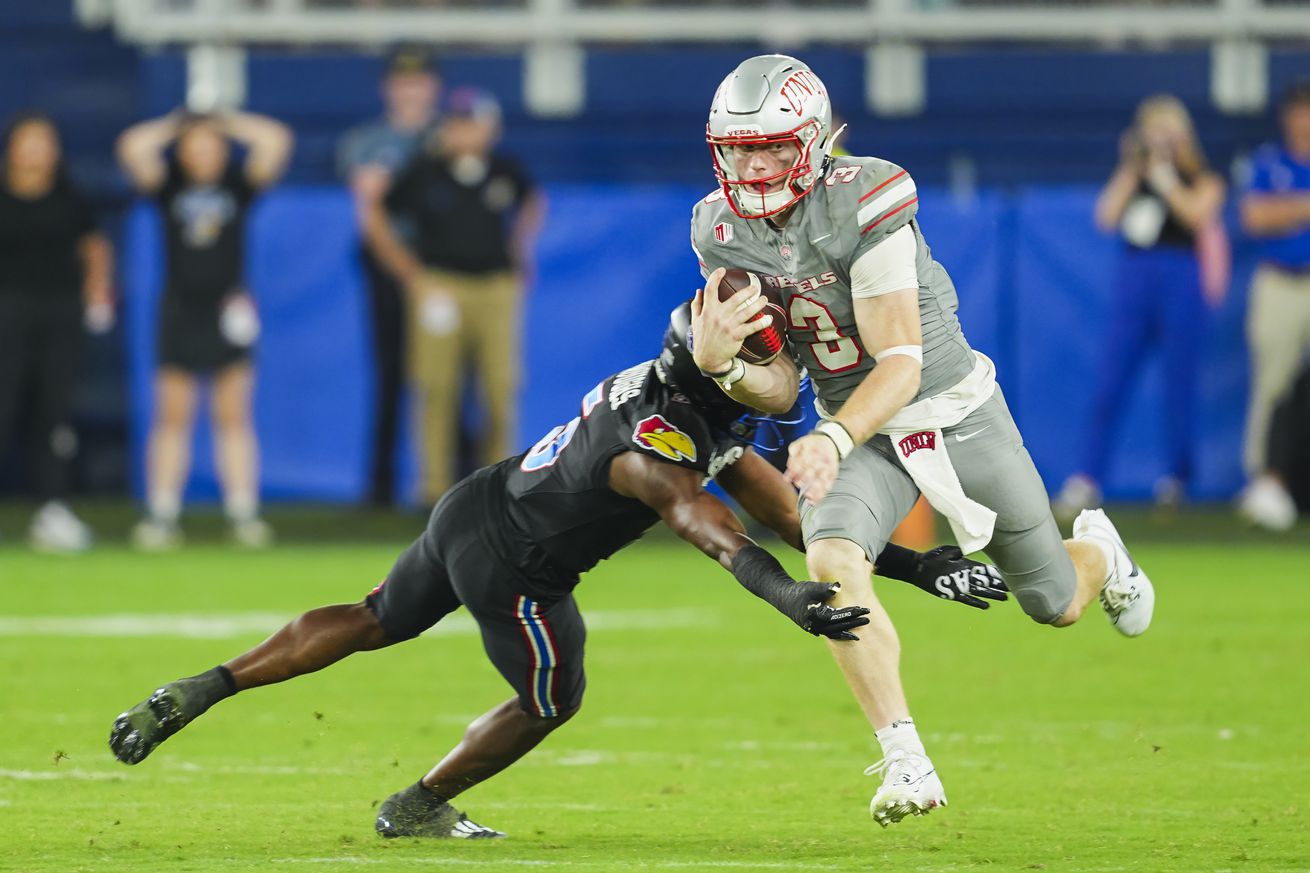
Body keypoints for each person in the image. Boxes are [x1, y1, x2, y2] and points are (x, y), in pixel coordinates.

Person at [107, 303, 1008, 838]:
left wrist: (920, 567)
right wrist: (787, 597)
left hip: (476, 504)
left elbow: (784, 511)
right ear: (719, 373)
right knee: (552, 695)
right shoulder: (657, 444)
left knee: (376, 615)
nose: (782, 369)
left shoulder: (679, 398)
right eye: (764, 358)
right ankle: (420, 805)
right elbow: (720, 531)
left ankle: (202, 687)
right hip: (517, 565)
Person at [688, 55, 1156, 827]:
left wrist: (833, 438)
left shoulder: (866, 196)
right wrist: (726, 365)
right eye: (739, 147)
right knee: (832, 558)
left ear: (811, 140)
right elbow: (779, 384)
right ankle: (906, 757)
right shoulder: (719, 227)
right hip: (857, 433)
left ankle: (1100, 550)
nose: (755, 161)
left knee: (1054, 602)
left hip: (952, 411)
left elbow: (901, 362)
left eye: (772, 144)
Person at [116, 110, 293, 550]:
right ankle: (161, 514)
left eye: (210, 145)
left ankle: (242, 513)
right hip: (180, 310)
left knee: (233, 415)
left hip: (228, 309)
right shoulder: (168, 188)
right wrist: (179, 122)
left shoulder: (238, 187)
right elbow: (132, 145)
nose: (202, 152)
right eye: (194, 146)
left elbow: (276, 139)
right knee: (172, 415)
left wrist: (223, 120)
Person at [366, 86, 544, 505]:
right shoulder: (424, 170)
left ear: (490, 129)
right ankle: (433, 491)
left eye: (472, 124)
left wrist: (520, 249)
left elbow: (534, 202)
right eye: (456, 124)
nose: (463, 134)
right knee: (435, 388)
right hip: (440, 284)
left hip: (495, 286)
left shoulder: (504, 169)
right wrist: (411, 274)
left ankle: (502, 486)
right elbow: (379, 210)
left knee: (499, 387)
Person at [1053, 95, 1226, 518]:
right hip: (1136, 280)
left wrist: (1167, 175)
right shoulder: (1136, 179)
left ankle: (1177, 479)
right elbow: (1105, 217)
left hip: (1180, 279)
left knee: (1179, 384)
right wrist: (1133, 166)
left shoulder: (1204, 178)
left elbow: (1196, 215)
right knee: (1111, 380)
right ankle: (1087, 477)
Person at [0, 112, 114, 552]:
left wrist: (97, 294)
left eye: (44, 142)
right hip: (6, 316)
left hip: (59, 316)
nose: (35, 151)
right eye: (27, 141)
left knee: (53, 415)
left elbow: (94, 248)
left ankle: (51, 510)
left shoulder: (71, 197)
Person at [337, 47, 442, 507]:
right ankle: (382, 485)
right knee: (393, 371)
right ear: (388, 89)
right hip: (392, 265)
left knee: (447, 375)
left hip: (445, 265)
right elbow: (369, 213)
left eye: (418, 83)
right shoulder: (367, 142)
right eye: (403, 83)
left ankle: (454, 480)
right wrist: (407, 271)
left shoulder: (448, 136)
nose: (411, 92)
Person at [1236, 79, 1310, 532]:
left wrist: (1288, 209)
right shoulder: (1270, 161)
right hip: (1280, 282)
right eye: (1299, 111)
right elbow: (1254, 216)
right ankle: (1266, 481)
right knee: (1273, 381)